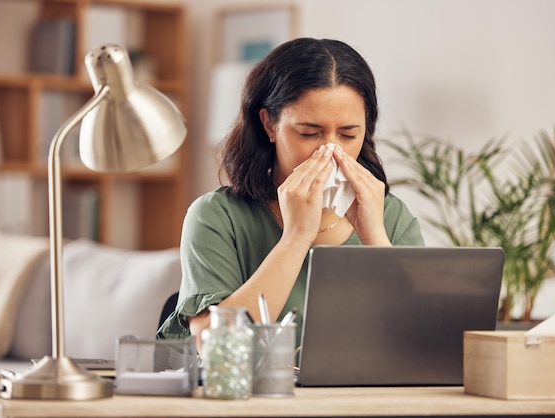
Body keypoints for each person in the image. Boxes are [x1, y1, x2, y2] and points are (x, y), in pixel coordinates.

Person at [158, 38, 424, 352]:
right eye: (308, 133)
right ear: (269, 124)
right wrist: (296, 238)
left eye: (349, 134)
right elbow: (217, 347)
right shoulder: (216, 216)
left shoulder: (393, 218)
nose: (330, 150)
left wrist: (375, 237)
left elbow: (419, 342)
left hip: (368, 401)